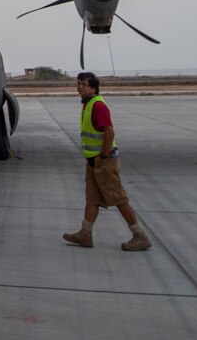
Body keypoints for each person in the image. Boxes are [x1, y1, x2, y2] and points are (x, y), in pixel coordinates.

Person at [63, 71, 151, 251]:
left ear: (94, 88)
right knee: (92, 199)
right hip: (93, 161)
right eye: (78, 83)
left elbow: (109, 131)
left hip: (104, 161)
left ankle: (140, 236)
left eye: (84, 84)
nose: (79, 87)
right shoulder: (87, 105)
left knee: (119, 199)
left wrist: (102, 157)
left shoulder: (98, 106)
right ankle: (85, 234)